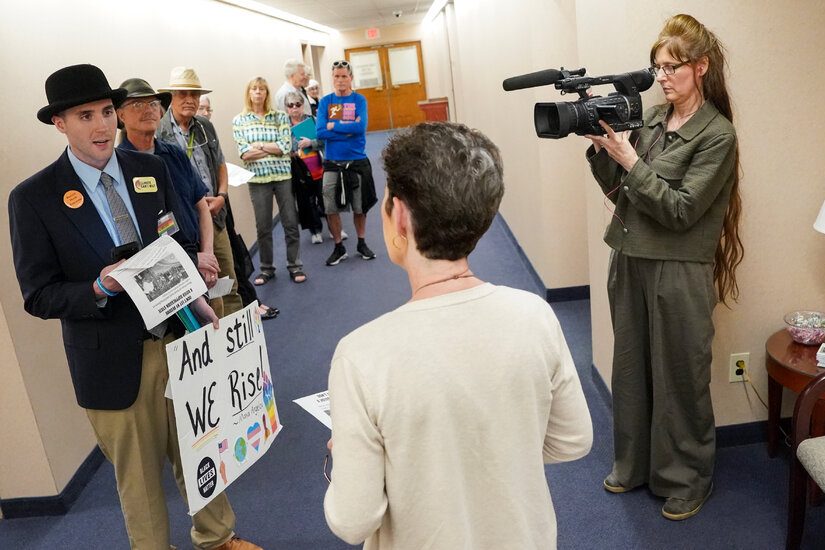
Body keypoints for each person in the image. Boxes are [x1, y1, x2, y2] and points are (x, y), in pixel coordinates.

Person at [8, 64, 261, 550]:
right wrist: (99, 287)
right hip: (112, 358)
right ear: (60, 124)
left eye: (106, 112)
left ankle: (218, 538)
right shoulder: (34, 198)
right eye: (86, 116)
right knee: (139, 479)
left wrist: (195, 264)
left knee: (202, 446)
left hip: (181, 337)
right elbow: (38, 295)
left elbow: (175, 239)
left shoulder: (151, 170)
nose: (102, 126)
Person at [324, 122, 593, 549]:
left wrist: (346, 458)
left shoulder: (360, 356)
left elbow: (354, 520)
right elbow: (573, 440)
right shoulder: (534, 315)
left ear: (401, 215)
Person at [584, 13, 743, 521]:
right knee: (631, 368)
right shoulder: (650, 119)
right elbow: (618, 187)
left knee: (679, 374)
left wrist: (632, 163)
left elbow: (681, 210)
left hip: (678, 267)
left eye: (673, 66)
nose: (663, 77)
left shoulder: (717, 135)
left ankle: (687, 478)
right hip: (629, 257)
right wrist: (602, 150)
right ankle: (634, 464)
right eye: (657, 67)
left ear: (701, 67)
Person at [115, 77, 221, 294]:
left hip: (199, 252)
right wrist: (192, 260)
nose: (148, 110)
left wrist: (207, 253)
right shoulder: (119, 167)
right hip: (163, 273)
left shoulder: (174, 154)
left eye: (153, 104)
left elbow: (200, 205)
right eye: (137, 104)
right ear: (120, 115)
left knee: (217, 311)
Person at [156, 67, 244, 314]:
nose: (189, 100)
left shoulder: (205, 126)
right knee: (197, 291)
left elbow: (220, 164)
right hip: (184, 225)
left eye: (194, 95)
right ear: (171, 97)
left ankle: (237, 338)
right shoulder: (158, 133)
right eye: (182, 94)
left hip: (215, 218)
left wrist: (222, 196)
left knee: (227, 281)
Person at [232, 77, 306, 284]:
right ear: (249, 93)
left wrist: (259, 146)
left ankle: (295, 265)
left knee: (290, 222)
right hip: (258, 180)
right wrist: (270, 147)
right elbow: (244, 153)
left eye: (262, 89)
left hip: (282, 177)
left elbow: (285, 146)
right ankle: (267, 268)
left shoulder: (280, 117)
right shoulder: (239, 120)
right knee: (263, 227)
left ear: (267, 93)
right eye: (254, 89)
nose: (258, 92)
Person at [316, 59, 378, 266]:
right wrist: (347, 127)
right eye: (336, 76)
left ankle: (361, 242)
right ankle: (338, 247)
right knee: (330, 207)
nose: (340, 80)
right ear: (332, 78)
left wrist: (334, 126)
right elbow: (320, 132)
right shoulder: (326, 102)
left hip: (357, 161)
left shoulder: (359, 100)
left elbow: (361, 129)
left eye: (344, 76)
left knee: (360, 207)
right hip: (333, 163)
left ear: (351, 78)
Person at [285, 91, 325, 244]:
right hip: (300, 170)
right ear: (287, 108)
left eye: (298, 104)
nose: (294, 108)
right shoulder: (284, 127)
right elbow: (283, 147)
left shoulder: (313, 121)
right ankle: (315, 231)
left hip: (318, 166)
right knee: (308, 202)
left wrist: (311, 143)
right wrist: (290, 152)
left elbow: (324, 141)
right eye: (290, 105)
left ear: (303, 106)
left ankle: (336, 228)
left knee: (325, 199)